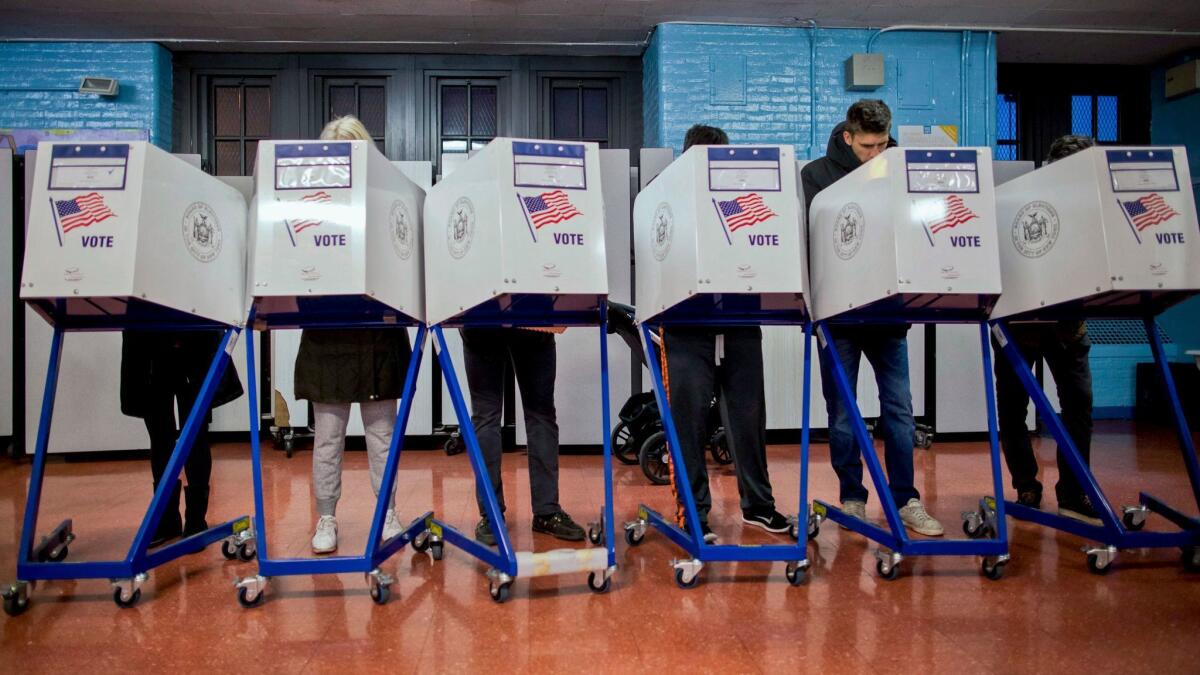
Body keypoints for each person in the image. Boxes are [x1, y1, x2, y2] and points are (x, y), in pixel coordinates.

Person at [801, 99, 944, 536]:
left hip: (889, 315)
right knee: (843, 412)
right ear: (848, 137)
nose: (877, 153)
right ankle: (852, 496)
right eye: (867, 145)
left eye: (883, 143)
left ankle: (906, 499)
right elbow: (812, 245)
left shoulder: (898, 173)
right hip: (839, 317)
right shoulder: (817, 176)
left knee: (899, 410)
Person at [658, 124, 792, 544]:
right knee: (688, 423)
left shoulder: (744, 196)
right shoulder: (664, 195)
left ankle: (759, 507)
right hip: (685, 325)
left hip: (739, 319)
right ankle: (693, 513)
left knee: (748, 418)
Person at [298, 115, 411, 554]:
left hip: (375, 329)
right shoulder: (310, 201)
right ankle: (326, 517)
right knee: (328, 435)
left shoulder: (383, 197)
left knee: (381, 434)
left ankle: (387, 512)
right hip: (327, 329)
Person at [992, 134, 1100, 525]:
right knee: (1012, 410)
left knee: (1079, 408)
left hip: (1068, 325)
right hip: (1018, 324)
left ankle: (1073, 492)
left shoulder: (1094, 206)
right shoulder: (1019, 201)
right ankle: (1026, 485)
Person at [463, 324, 585, 546]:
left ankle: (504, 515)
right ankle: (542, 512)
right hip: (526, 315)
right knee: (538, 415)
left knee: (488, 417)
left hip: (488, 316)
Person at [120, 331, 244, 547]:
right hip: (150, 340)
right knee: (159, 436)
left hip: (194, 336)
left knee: (196, 434)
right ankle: (166, 520)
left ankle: (196, 520)